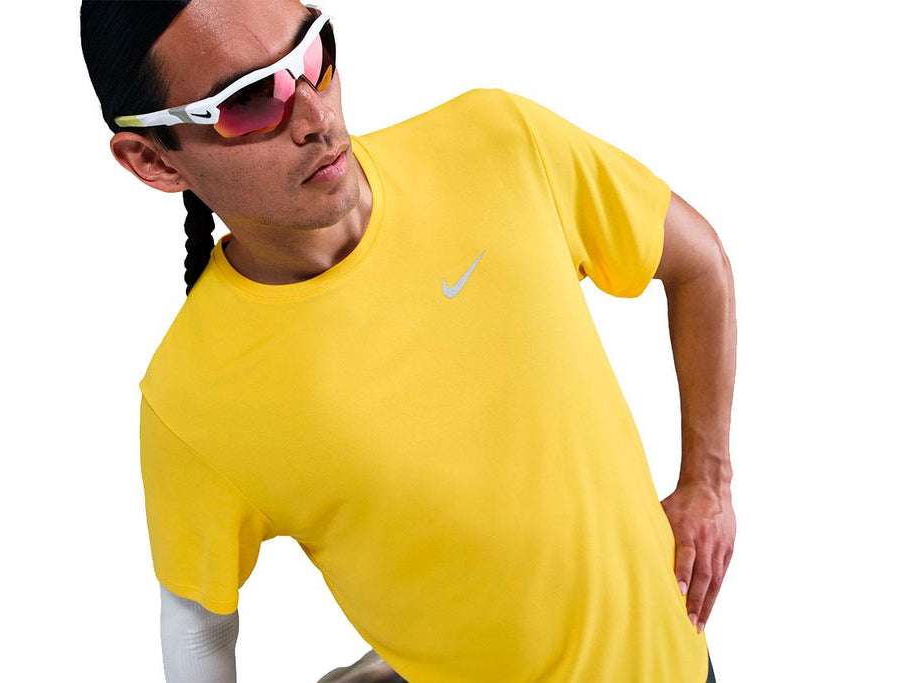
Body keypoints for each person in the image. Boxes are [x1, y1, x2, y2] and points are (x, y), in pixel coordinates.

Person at [80, 1, 736, 681]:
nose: (316, 117)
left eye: (313, 54)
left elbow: (699, 265)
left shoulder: (499, 141)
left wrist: (708, 483)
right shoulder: (191, 400)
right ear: (154, 160)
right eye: (248, 101)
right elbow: (196, 629)